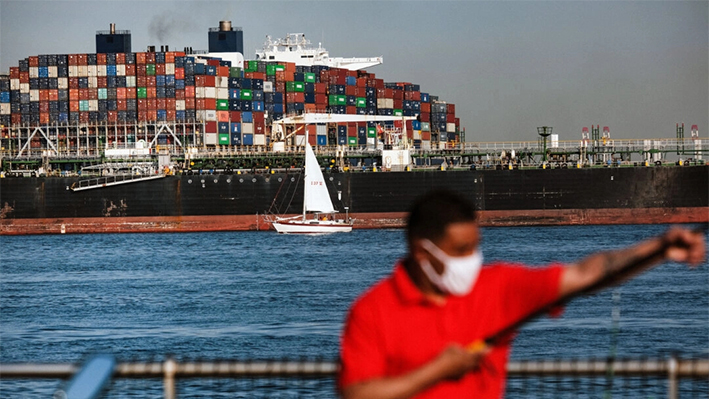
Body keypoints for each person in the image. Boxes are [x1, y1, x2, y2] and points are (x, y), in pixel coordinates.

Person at [338, 190, 705, 399]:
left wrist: (659, 248)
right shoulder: (373, 310)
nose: (472, 260)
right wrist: (438, 371)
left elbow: (586, 274)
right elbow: (356, 395)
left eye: (475, 247)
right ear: (423, 252)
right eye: (461, 250)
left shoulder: (497, 287)